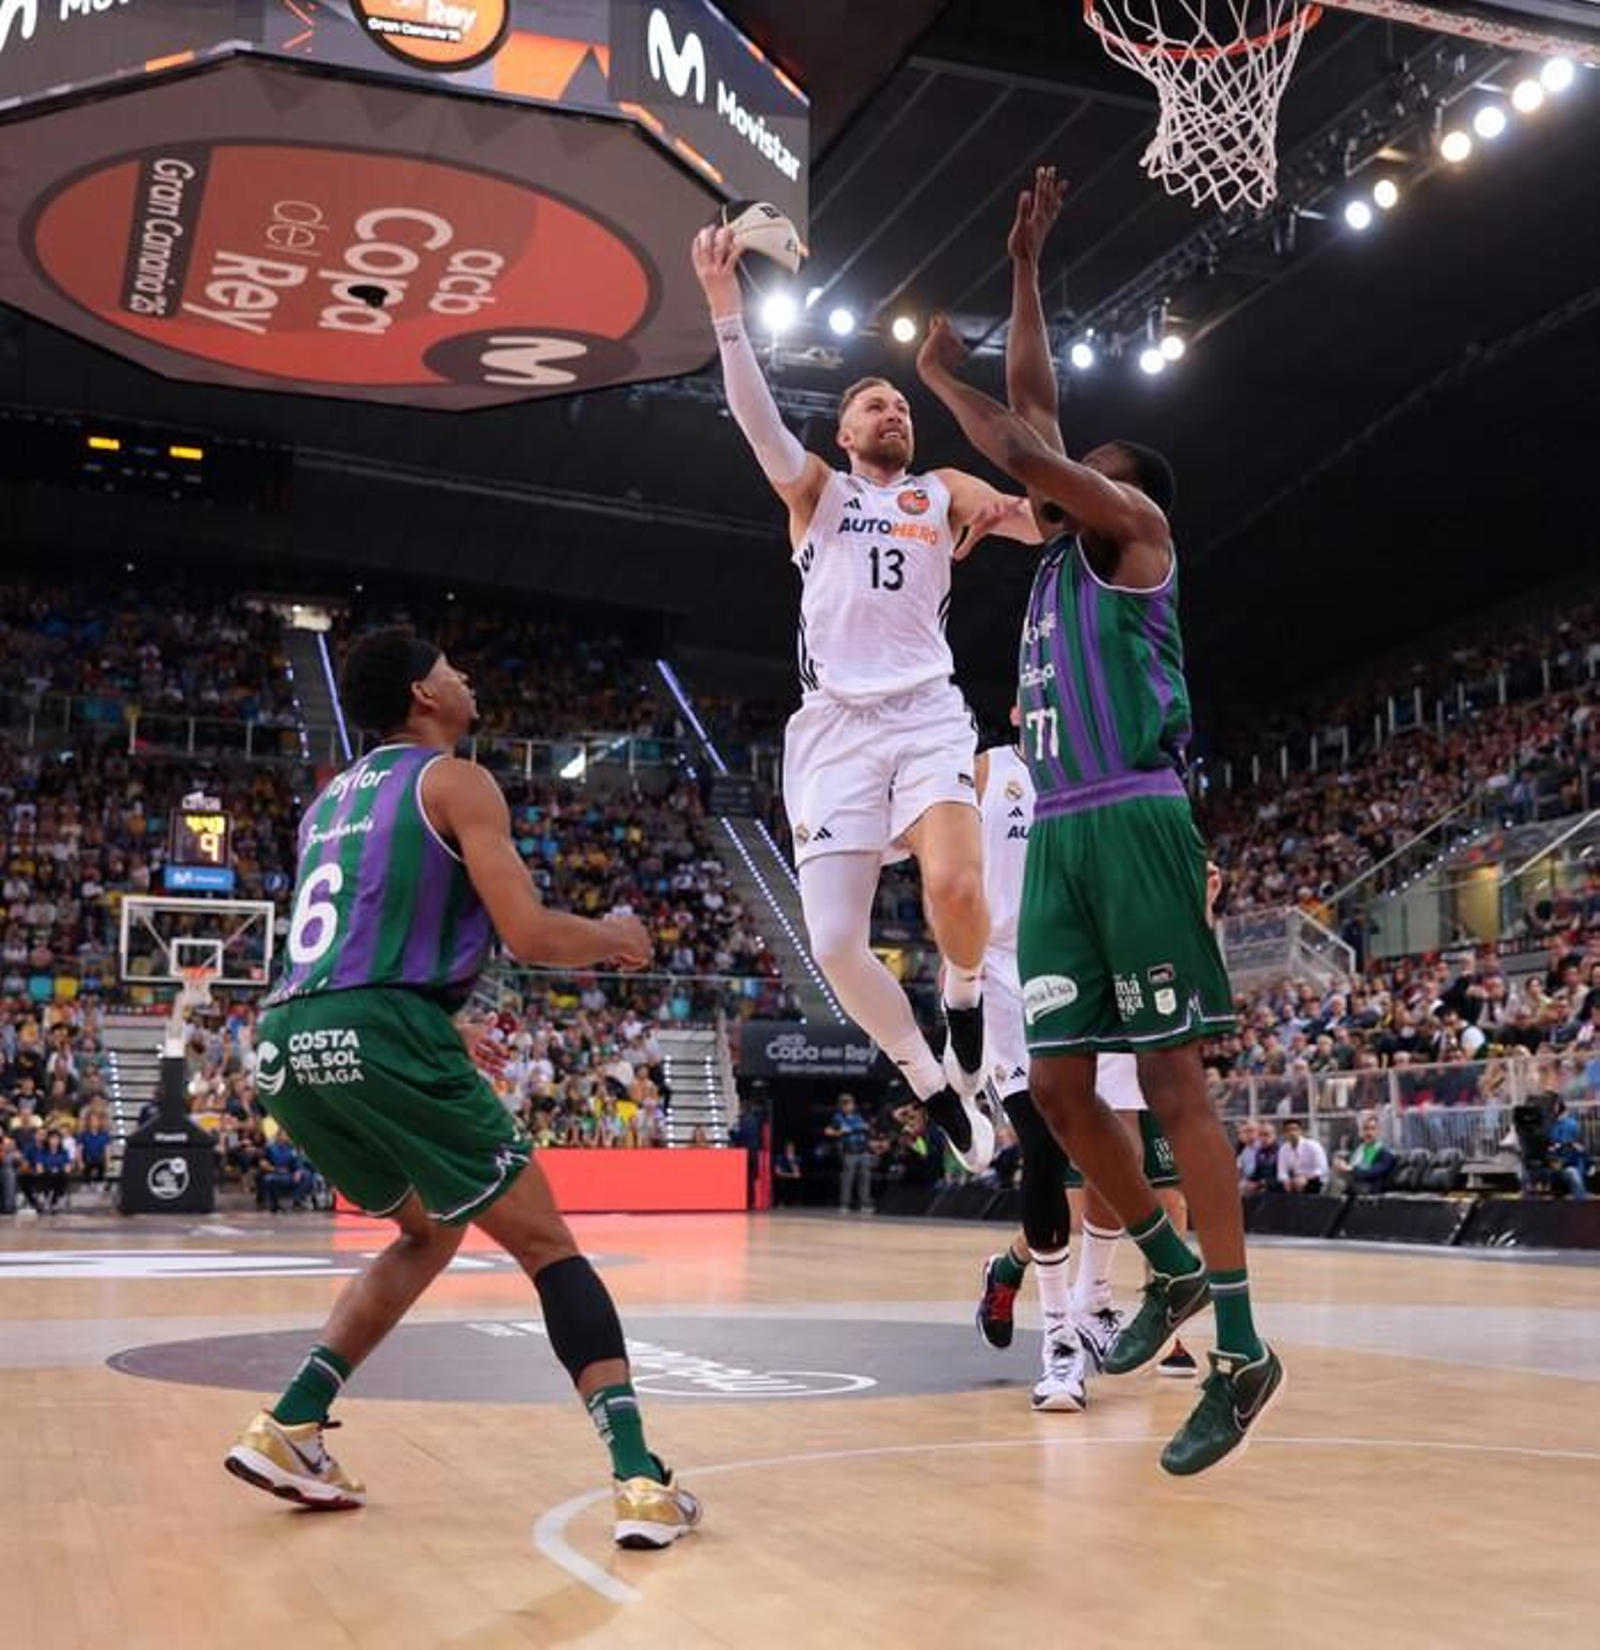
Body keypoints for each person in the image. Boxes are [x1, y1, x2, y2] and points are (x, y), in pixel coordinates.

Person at [914, 165, 1281, 1477]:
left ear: (1117, 491)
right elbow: (1033, 415)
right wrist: (1019, 272)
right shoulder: (1060, 549)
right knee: (1058, 1096)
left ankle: (1240, 1349)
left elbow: (1020, 441)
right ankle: (1171, 1273)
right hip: (1060, 834)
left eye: (1085, 468)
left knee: (1172, 1085)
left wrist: (939, 376)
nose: (1062, 474)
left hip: (1132, 818)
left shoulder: (1133, 534)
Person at [224, 627, 700, 1550]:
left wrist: (438, 1022)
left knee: (429, 1232)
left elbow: (351, 937)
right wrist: (614, 933)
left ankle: (290, 1424)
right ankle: (641, 1481)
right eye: (448, 668)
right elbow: (525, 935)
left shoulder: (328, 801)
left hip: (288, 1039)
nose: (465, 675)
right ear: (421, 694)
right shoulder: (456, 779)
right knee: (549, 1248)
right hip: (380, 1033)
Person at [691, 225, 1048, 1175]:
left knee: (958, 887)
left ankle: (965, 999)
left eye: (901, 404)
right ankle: (934, 1087)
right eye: (875, 404)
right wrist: (728, 310)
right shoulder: (816, 492)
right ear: (845, 434)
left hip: (928, 712)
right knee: (839, 944)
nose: (893, 411)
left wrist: (1035, 484)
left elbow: (1039, 516)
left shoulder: (941, 489)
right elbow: (759, 422)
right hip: (836, 733)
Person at [826, 1092, 874, 1214]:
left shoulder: (859, 1116)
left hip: (863, 1151)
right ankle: (844, 1205)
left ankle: (864, 1204)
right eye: (844, 1104)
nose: (847, 1106)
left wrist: (867, 1127)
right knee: (847, 1179)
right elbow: (828, 1131)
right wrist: (840, 1132)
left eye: (849, 1103)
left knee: (865, 1179)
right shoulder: (838, 1118)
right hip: (849, 1152)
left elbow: (870, 1128)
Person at [1332, 1111, 1395, 1194]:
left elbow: (1372, 1173)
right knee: (1333, 1180)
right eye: (1365, 1129)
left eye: (1372, 1129)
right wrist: (1340, 1164)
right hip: (1351, 1183)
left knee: (1338, 1184)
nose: (1369, 1133)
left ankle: (1323, 1205)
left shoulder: (1385, 1154)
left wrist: (1350, 1169)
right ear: (1361, 1132)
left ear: (1378, 1131)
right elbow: (1347, 1163)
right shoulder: (1358, 1150)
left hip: (1368, 1187)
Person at [1275, 1119, 1328, 1194]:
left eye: (1295, 1129)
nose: (1292, 1133)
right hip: (1295, 1181)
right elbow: (1282, 1172)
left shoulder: (1313, 1146)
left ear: (1300, 1131)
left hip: (1315, 1181)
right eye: (1288, 1130)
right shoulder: (1283, 1149)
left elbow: (1322, 1170)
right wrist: (1286, 1181)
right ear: (1284, 1133)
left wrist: (1306, 1178)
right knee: (1275, 1187)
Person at [773, 1139, 803, 1206]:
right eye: (789, 1148)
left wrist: (792, 1161)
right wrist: (790, 1175)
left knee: (798, 1181)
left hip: (790, 1176)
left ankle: (796, 1201)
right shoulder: (780, 1157)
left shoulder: (797, 1158)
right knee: (781, 1182)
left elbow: (797, 1173)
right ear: (785, 1149)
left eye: (792, 1148)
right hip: (783, 1176)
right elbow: (778, 1172)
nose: (790, 1150)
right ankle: (781, 1201)